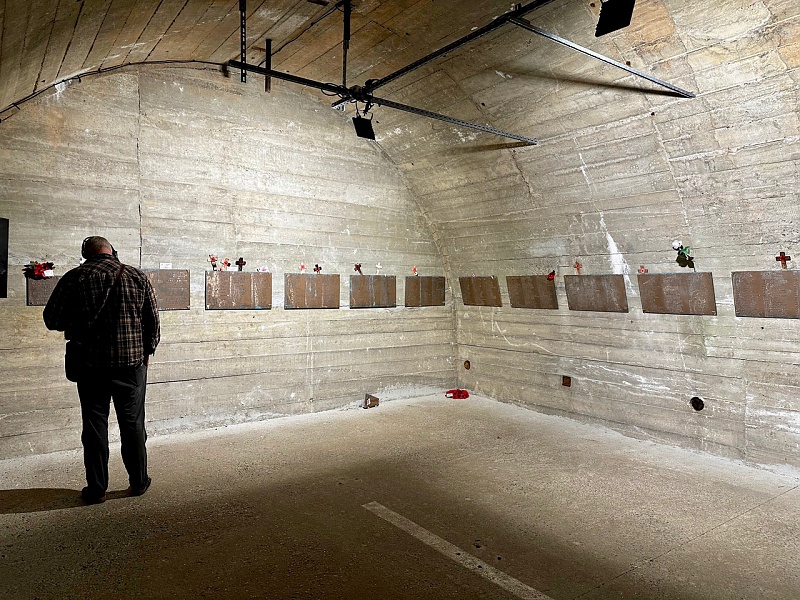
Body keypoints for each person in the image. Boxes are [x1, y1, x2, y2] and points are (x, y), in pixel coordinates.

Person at [44, 236, 160, 504]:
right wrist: (146, 354)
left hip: (89, 367)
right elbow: (153, 322)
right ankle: (138, 482)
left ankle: (97, 489)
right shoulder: (135, 276)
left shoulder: (74, 278)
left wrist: (79, 319)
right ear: (112, 251)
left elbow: (52, 319)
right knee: (133, 425)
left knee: (94, 427)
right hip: (130, 366)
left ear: (85, 254)